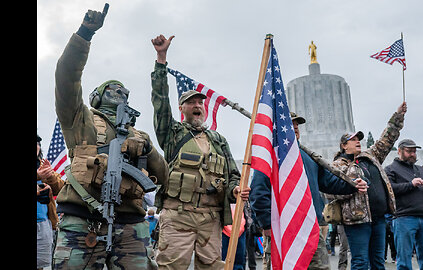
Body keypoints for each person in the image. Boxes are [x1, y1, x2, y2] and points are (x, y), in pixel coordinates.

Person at [52, 5, 169, 269]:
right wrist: (84, 35)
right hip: (83, 220)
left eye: (123, 90)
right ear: (97, 96)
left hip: (131, 226)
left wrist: (146, 149)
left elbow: (163, 176)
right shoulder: (81, 119)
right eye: (111, 88)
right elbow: (66, 76)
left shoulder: (140, 134)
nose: (120, 90)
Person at [150, 33, 250, 269]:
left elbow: (233, 173)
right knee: (171, 267)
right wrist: (161, 58)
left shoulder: (219, 140)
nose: (197, 106)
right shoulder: (172, 133)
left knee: (212, 267)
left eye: (200, 103)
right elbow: (160, 101)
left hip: (211, 218)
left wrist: (236, 188)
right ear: (182, 107)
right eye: (192, 102)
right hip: (177, 216)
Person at [250, 112, 368, 270]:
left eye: (297, 125)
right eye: (291, 124)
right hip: (283, 230)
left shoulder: (308, 156)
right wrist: (267, 224)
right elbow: (258, 192)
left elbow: (329, 182)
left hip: (311, 229)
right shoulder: (270, 156)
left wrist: (352, 185)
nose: (296, 128)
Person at [327, 102, 407, 270]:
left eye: (359, 139)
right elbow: (331, 192)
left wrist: (398, 116)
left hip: (379, 219)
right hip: (357, 222)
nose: (358, 142)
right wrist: (353, 185)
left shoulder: (370, 156)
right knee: (360, 262)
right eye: (353, 139)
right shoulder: (337, 165)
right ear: (344, 145)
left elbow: (387, 138)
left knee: (378, 262)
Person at [384, 140, 423, 270]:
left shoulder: (421, 169)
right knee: (404, 259)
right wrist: (411, 184)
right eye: (409, 151)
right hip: (404, 218)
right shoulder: (390, 169)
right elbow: (389, 190)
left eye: (414, 151)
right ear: (399, 151)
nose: (412, 154)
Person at [37, 134, 65, 269]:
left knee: (41, 265)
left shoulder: (43, 166)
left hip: (43, 224)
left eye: (37, 143)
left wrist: (50, 176)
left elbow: (60, 189)